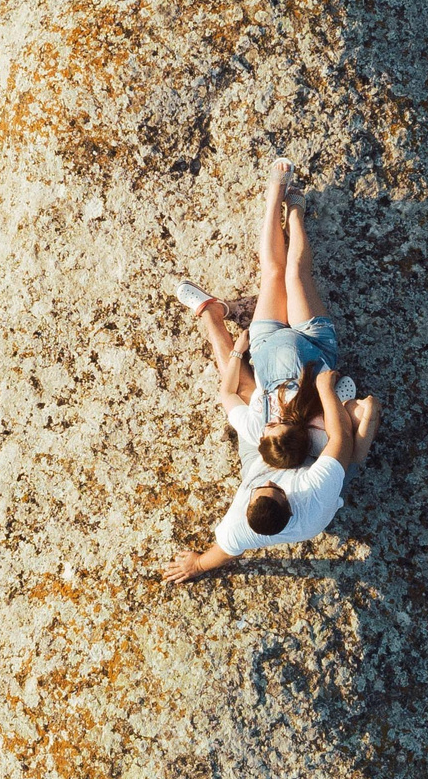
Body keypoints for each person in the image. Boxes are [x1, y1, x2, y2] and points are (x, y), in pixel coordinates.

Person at [160, 161, 380, 584]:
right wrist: (328, 391)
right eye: (271, 484)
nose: (265, 481)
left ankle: (212, 313)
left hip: (267, 360)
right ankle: (293, 207)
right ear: (286, 493)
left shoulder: (245, 518)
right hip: (314, 354)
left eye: (255, 487)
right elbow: (344, 441)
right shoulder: (312, 496)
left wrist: (196, 565)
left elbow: (220, 551)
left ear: (247, 502)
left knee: (242, 368)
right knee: (292, 274)